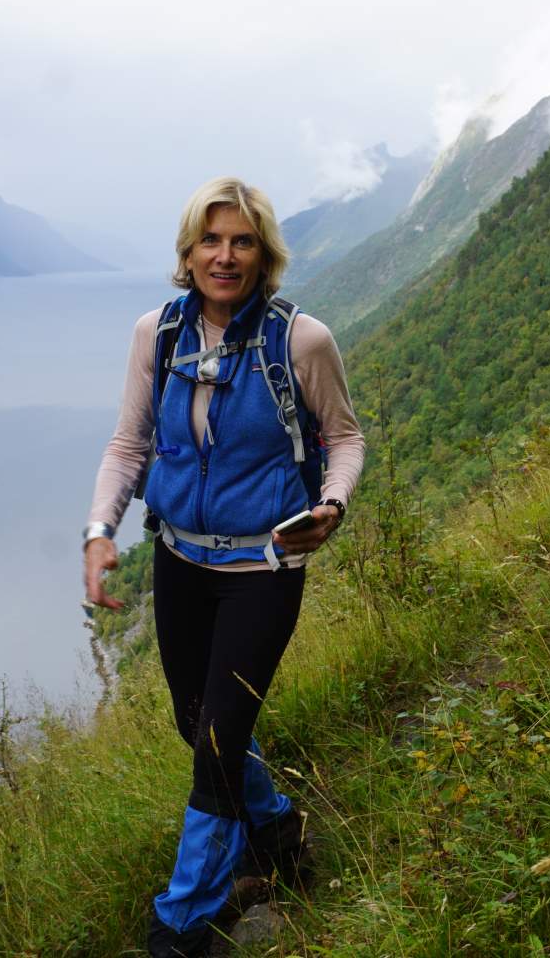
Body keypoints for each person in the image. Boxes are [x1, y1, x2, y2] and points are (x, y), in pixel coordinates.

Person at [82, 177, 365, 958]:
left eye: (242, 241)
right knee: (194, 722)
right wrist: (100, 530)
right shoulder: (159, 335)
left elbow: (344, 439)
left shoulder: (301, 341)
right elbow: (128, 444)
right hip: (179, 561)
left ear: (263, 252)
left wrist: (332, 506)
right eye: (211, 241)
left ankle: (181, 923)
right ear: (188, 251)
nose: (225, 255)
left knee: (217, 737)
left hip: (265, 565)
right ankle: (276, 829)